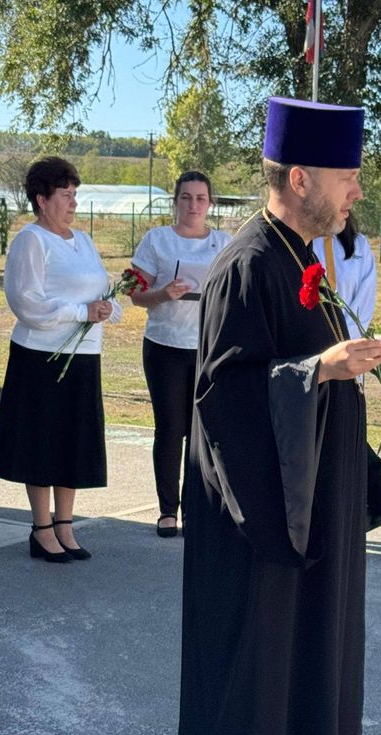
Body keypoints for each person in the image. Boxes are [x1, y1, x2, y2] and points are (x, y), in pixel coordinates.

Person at [171, 97, 381, 735]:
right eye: (346, 175)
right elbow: (224, 398)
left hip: (303, 505)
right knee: (254, 665)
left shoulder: (303, 257)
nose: (356, 190)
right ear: (300, 178)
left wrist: (336, 371)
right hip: (258, 512)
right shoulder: (247, 264)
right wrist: (317, 370)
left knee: (304, 657)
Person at [0, 157, 121, 561]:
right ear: (42, 200)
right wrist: (82, 312)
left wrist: (108, 308)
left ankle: (65, 524)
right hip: (41, 358)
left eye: (75, 194)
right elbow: (26, 303)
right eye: (65, 194)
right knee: (43, 442)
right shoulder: (31, 240)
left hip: (84, 356)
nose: (73, 202)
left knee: (72, 442)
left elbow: (102, 288)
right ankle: (41, 527)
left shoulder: (83, 241)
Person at [130, 172, 230, 537]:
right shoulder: (157, 240)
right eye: (186, 197)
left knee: (200, 432)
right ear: (175, 202)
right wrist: (162, 294)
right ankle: (167, 510)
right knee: (170, 429)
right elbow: (135, 294)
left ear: (210, 203)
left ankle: (195, 509)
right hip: (165, 345)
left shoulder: (224, 243)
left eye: (201, 198)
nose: (193, 205)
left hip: (207, 348)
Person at [312, 211, 377, 337]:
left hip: (350, 340)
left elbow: (365, 298)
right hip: (311, 340)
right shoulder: (303, 244)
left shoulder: (359, 245)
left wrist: (344, 338)